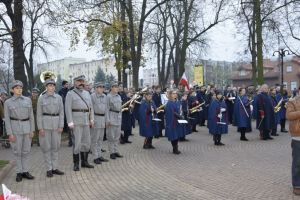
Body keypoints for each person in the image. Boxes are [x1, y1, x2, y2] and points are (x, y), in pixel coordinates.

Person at [4, 80, 35, 182]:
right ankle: (19, 172)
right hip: (15, 129)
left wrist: (32, 130)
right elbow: (7, 119)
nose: (19, 90)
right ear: (12, 90)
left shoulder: (27, 100)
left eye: (20, 88)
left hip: (27, 129)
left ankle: (25, 171)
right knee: (17, 152)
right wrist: (10, 133)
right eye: (16, 88)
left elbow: (31, 116)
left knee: (26, 151)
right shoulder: (8, 102)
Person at [65, 75, 94, 171]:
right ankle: (76, 163)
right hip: (76, 122)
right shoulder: (70, 94)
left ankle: (85, 162)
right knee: (77, 143)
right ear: (75, 82)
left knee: (86, 142)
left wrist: (92, 119)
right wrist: (70, 122)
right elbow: (67, 109)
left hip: (86, 121)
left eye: (83, 81)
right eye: (79, 81)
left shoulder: (87, 93)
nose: (81, 83)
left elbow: (90, 108)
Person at [37, 79, 65, 177]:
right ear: (46, 87)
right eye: (49, 85)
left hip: (57, 125)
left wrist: (61, 125)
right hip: (46, 126)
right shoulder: (41, 98)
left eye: (53, 85)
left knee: (56, 147)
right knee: (46, 148)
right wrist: (40, 128)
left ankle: (55, 168)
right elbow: (39, 114)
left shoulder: (59, 98)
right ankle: (49, 169)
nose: (52, 87)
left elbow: (62, 113)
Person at [90, 82, 109, 164]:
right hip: (96, 118)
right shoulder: (92, 96)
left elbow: (107, 109)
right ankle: (95, 157)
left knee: (101, 139)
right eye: (99, 87)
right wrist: (92, 120)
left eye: (102, 87)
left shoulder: (105, 96)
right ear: (96, 88)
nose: (101, 89)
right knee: (95, 139)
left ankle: (99, 155)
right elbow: (91, 109)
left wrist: (107, 120)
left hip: (102, 119)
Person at [286, 91, 300, 195]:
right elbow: (289, 116)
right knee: (297, 162)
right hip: (298, 135)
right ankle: (297, 185)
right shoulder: (293, 102)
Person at [106, 82, 123, 160]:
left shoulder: (119, 96)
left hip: (118, 117)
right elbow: (106, 109)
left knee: (117, 136)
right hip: (111, 116)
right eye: (115, 87)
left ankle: (115, 151)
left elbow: (120, 108)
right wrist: (108, 120)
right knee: (111, 137)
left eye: (117, 87)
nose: (117, 88)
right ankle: (111, 152)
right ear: (111, 88)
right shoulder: (108, 97)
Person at [165, 89, 184, 154]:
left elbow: (179, 110)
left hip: (177, 122)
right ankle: (175, 149)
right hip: (172, 122)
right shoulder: (169, 103)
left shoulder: (176, 102)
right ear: (170, 95)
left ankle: (175, 148)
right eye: (173, 93)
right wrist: (178, 115)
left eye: (175, 93)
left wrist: (180, 115)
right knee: (174, 136)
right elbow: (171, 113)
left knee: (176, 135)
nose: (175, 94)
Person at [58, 80, 72, 147]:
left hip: (69, 110)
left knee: (70, 126)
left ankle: (71, 141)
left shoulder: (69, 91)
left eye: (68, 84)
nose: (67, 85)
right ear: (63, 85)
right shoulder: (60, 92)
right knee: (63, 125)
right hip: (63, 110)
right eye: (66, 84)